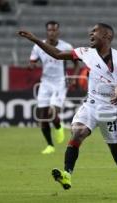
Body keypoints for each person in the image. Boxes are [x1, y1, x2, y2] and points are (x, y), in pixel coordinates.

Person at [18, 23, 117, 190]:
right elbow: (58, 54)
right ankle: (67, 174)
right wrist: (35, 39)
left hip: (111, 111)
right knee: (78, 133)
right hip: (91, 105)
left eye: (95, 31)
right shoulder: (86, 53)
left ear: (107, 36)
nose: (91, 33)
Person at [28, 21, 80, 154]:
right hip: (45, 83)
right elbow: (32, 62)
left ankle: (58, 127)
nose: (52, 32)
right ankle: (50, 145)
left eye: (54, 30)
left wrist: (73, 78)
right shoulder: (38, 47)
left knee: (52, 114)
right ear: (47, 32)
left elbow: (76, 63)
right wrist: (31, 65)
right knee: (42, 117)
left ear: (58, 32)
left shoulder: (66, 46)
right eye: (50, 30)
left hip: (60, 82)